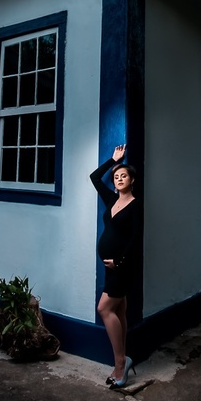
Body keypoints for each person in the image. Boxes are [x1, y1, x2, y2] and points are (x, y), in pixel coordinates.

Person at [90, 143, 141, 387]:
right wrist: (113, 160)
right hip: (110, 266)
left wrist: (119, 261)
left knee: (104, 309)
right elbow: (94, 177)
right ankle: (123, 359)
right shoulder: (111, 200)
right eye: (117, 177)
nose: (119, 178)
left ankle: (121, 364)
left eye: (124, 175)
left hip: (122, 267)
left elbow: (135, 238)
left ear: (132, 180)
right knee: (119, 311)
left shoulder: (135, 206)